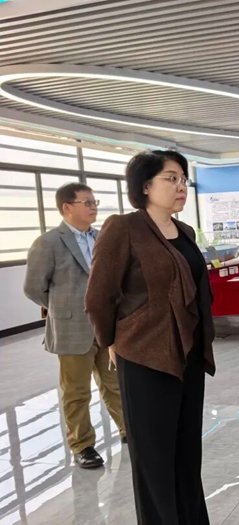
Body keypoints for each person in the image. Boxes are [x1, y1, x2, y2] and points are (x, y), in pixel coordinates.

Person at [84, 150, 216, 525]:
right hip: (145, 356)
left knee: (186, 452)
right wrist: (112, 342)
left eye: (183, 179)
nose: (180, 186)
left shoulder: (184, 232)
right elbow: (98, 297)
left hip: (189, 353)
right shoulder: (123, 228)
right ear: (145, 186)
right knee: (154, 458)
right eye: (171, 178)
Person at [24, 183, 126, 469]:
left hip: (106, 326)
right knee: (77, 392)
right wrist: (62, 308)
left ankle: (129, 430)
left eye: (95, 202)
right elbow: (33, 287)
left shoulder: (103, 237)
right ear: (67, 207)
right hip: (72, 329)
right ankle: (83, 446)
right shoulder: (48, 243)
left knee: (115, 384)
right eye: (87, 202)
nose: (93, 207)